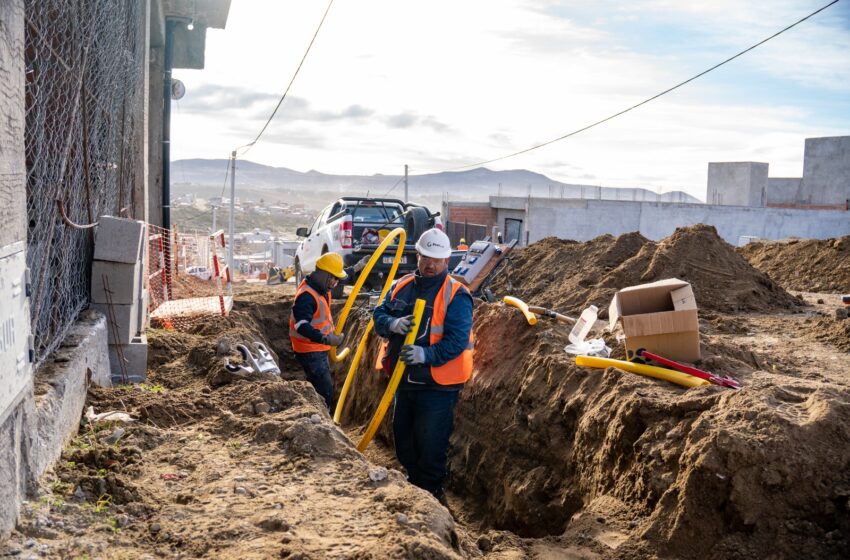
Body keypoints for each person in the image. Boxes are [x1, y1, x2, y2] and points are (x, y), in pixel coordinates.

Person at [372, 228, 474, 502]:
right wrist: (391, 323)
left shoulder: (457, 295)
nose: (430, 265)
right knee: (404, 442)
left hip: (437, 386)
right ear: (418, 255)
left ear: (447, 261)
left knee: (430, 447)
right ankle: (415, 487)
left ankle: (432, 497)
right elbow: (378, 313)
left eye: (437, 260)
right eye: (426, 257)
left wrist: (425, 355)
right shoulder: (402, 285)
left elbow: (456, 341)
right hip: (403, 382)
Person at [289, 253, 367, 410]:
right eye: (333, 278)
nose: (336, 282)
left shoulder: (321, 285)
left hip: (317, 348)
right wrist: (327, 339)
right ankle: (323, 420)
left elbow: (343, 277)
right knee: (324, 391)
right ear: (324, 274)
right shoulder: (306, 296)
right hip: (310, 351)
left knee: (320, 386)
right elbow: (301, 326)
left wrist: (358, 267)